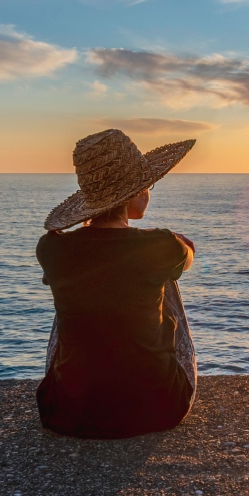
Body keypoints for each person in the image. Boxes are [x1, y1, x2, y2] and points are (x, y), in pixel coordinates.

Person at [36, 129, 197, 438]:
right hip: (158, 408)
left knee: (74, 286)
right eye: (147, 185)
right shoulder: (160, 244)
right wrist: (172, 243)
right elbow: (188, 257)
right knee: (167, 277)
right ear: (134, 192)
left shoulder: (51, 247)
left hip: (67, 413)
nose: (149, 192)